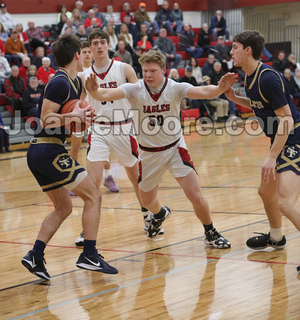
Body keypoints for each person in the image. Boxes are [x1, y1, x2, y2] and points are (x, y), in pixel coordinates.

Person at [86, 49, 237, 245]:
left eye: (152, 71)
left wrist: (219, 88)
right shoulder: (135, 89)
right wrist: (94, 91)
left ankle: (210, 232)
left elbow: (203, 92)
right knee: (147, 201)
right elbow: (105, 93)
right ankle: (160, 214)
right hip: (148, 153)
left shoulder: (174, 87)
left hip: (175, 149)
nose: (148, 75)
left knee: (195, 194)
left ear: (164, 70)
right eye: (145, 71)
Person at [21, 34, 118, 281]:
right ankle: (89, 253)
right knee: (94, 196)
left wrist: (87, 105)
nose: (86, 54)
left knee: (64, 207)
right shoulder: (59, 82)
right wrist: (72, 117)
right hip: (47, 149)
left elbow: (77, 111)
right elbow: (46, 119)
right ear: (77, 55)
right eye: (83, 51)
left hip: (45, 151)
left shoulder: (76, 83)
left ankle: (35, 254)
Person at [225, 30, 300, 274]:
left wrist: (271, 156)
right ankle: (276, 238)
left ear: (248, 50)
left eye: (235, 47)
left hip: (294, 139)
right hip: (280, 140)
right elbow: (258, 104)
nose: (231, 51)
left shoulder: (268, 78)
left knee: (285, 202)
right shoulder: (249, 77)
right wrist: (234, 97)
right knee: (265, 192)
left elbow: (286, 119)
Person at [74, 29, 151, 247]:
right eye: (94, 43)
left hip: (124, 128)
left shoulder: (123, 68)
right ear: (89, 48)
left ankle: (148, 217)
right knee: (92, 184)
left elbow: (141, 95)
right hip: (98, 130)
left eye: (102, 42)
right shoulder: (83, 76)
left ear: (108, 45)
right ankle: (85, 231)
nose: (98, 46)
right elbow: (80, 103)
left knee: (137, 179)